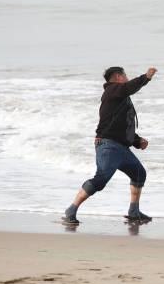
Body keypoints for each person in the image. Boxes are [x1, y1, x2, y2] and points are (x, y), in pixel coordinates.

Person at [62, 66, 157, 225]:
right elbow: (129, 87)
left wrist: (137, 140)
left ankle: (134, 212)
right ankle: (71, 210)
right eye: (125, 75)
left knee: (139, 174)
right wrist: (146, 77)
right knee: (101, 179)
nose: (127, 78)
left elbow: (120, 125)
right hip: (109, 146)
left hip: (120, 148)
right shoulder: (112, 90)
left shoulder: (119, 96)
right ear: (118, 77)